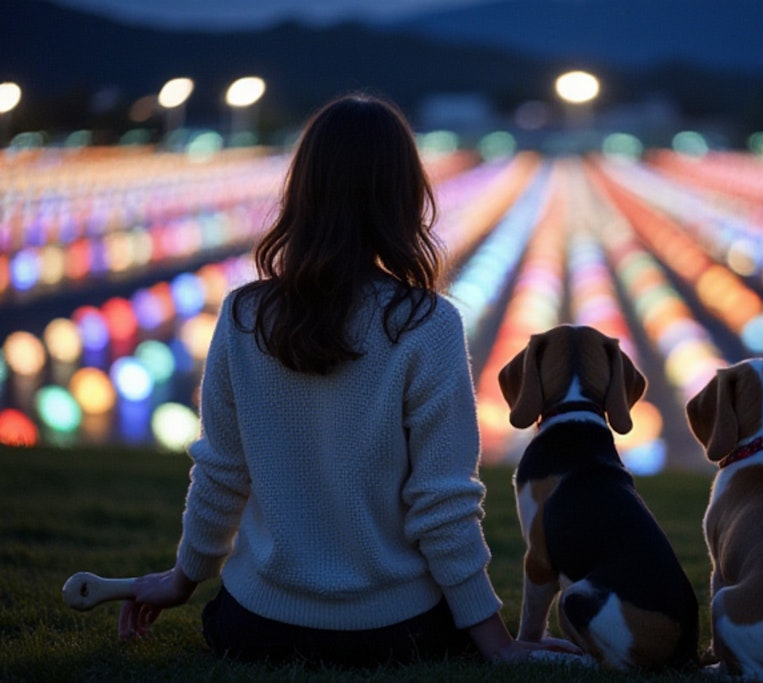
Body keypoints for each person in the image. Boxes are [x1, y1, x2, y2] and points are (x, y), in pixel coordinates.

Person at [117, 93, 580, 667]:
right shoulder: (428, 324)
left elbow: (221, 472)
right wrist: (496, 643)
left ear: (303, 191)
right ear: (405, 196)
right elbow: (442, 501)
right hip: (396, 629)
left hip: (255, 624)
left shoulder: (242, 316)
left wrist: (182, 580)